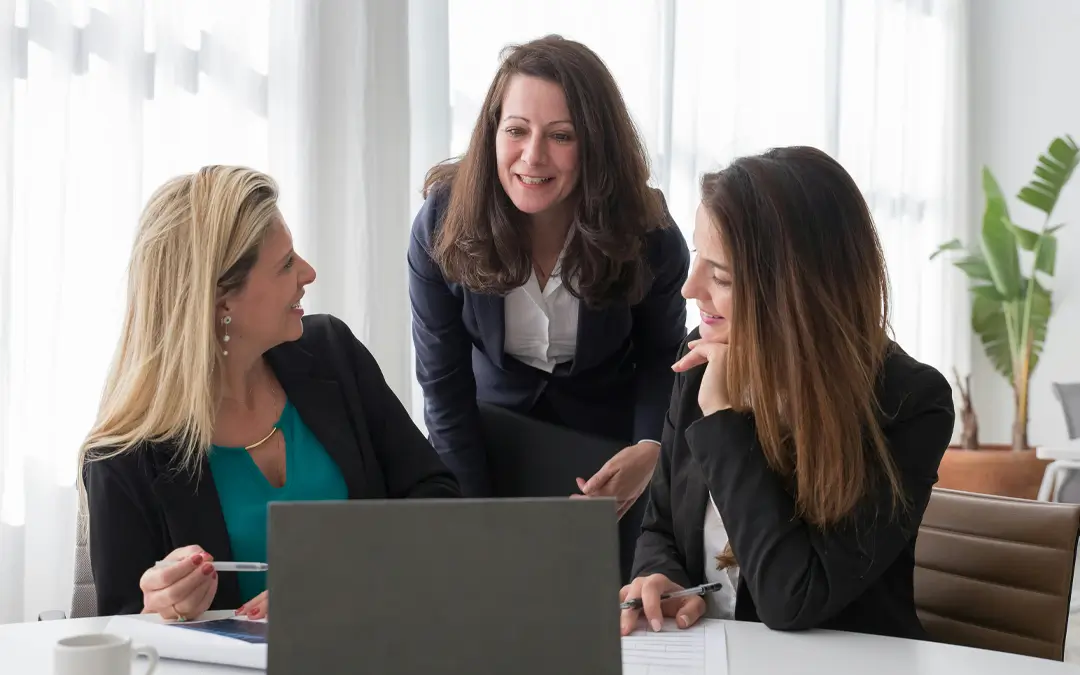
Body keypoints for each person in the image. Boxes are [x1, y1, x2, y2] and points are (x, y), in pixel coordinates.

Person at [81, 166, 459, 620]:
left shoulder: (333, 354)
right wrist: (157, 609)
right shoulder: (120, 457)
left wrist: (346, 573)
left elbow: (436, 497)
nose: (308, 272)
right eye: (285, 264)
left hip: (375, 645)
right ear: (222, 300)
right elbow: (120, 630)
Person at [621, 146, 955, 639]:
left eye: (721, 276)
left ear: (796, 293)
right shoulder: (700, 357)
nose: (690, 289)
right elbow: (661, 527)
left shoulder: (909, 402)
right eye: (697, 259)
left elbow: (792, 598)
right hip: (712, 655)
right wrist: (662, 577)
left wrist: (722, 418)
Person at [408, 34, 690, 581]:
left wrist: (652, 447)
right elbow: (443, 387)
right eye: (516, 130)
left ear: (596, 146)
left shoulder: (649, 232)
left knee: (608, 607)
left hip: (609, 454)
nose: (532, 156)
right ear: (493, 131)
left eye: (561, 136)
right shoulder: (442, 221)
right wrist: (473, 520)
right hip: (487, 440)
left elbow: (663, 357)